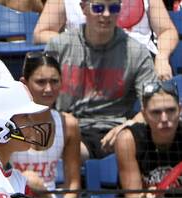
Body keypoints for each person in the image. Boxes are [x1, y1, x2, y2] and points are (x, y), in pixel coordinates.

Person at [45, 0, 158, 160]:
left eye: (113, 8)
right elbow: (39, 97)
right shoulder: (59, 46)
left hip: (112, 130)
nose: (106, 14)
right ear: (83, 8)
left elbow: (153, 104)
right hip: (66, 126)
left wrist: (129, 126)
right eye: (98, 8)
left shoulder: (136, 52)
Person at [34, 0, 178, 80]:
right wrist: (76, 42)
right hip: (86, 64)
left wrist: (162, 57)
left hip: (139, 61)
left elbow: (167, 31)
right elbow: (41, 33)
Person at [10, 51, 82, 197]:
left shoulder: (68, 124)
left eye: (54, 81)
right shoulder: (9, 122)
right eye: (41, 82)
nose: (49, 89)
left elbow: (73, 184)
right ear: (24, 83)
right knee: (29, 179)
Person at [116, 79, 182, 197]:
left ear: (180, 110)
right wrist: (145, 197)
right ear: (144, 115)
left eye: (170, 110)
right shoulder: (129, 140)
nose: (164, 119)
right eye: (156, 112)